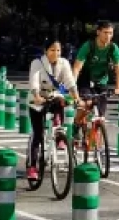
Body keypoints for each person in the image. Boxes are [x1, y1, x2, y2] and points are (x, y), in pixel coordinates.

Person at [26, 40, 79, 181]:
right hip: (37, 100)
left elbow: (70, 81)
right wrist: (37, 96)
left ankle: (58, 131)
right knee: (38, 134)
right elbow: (34, 81)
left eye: (58, 50)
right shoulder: (37, 63)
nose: (55, 53)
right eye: (52, 50)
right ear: (46, 51)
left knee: (61, 101)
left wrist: (76, 97)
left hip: (54, 95)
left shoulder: (64, 63)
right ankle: (32, 167)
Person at [71, 21, 119, 125]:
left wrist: (118, 87)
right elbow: (76, 68)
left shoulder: (113, 48)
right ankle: (76, 124)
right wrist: (72, 86)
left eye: (110, 33)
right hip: (86, 78)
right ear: (98, 32)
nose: (108, 36)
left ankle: (97, 136)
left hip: (102, 80)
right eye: (105, 32)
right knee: (86, 104)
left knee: (101, 114)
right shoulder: (88, 46)